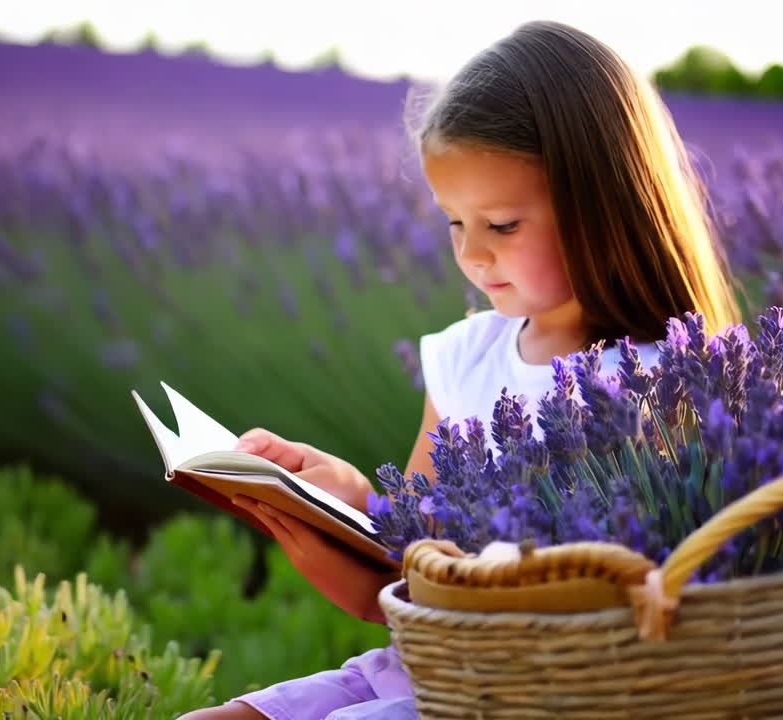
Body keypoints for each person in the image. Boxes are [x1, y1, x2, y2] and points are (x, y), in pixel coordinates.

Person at [180, 19, 741, 720]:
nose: (472, 254)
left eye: (501, 225)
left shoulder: (668, 382)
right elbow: (400, 589)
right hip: (422, 669)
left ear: (603, 207)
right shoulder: (464, 358)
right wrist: (344, 508)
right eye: (454, 222)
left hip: (539, 695)